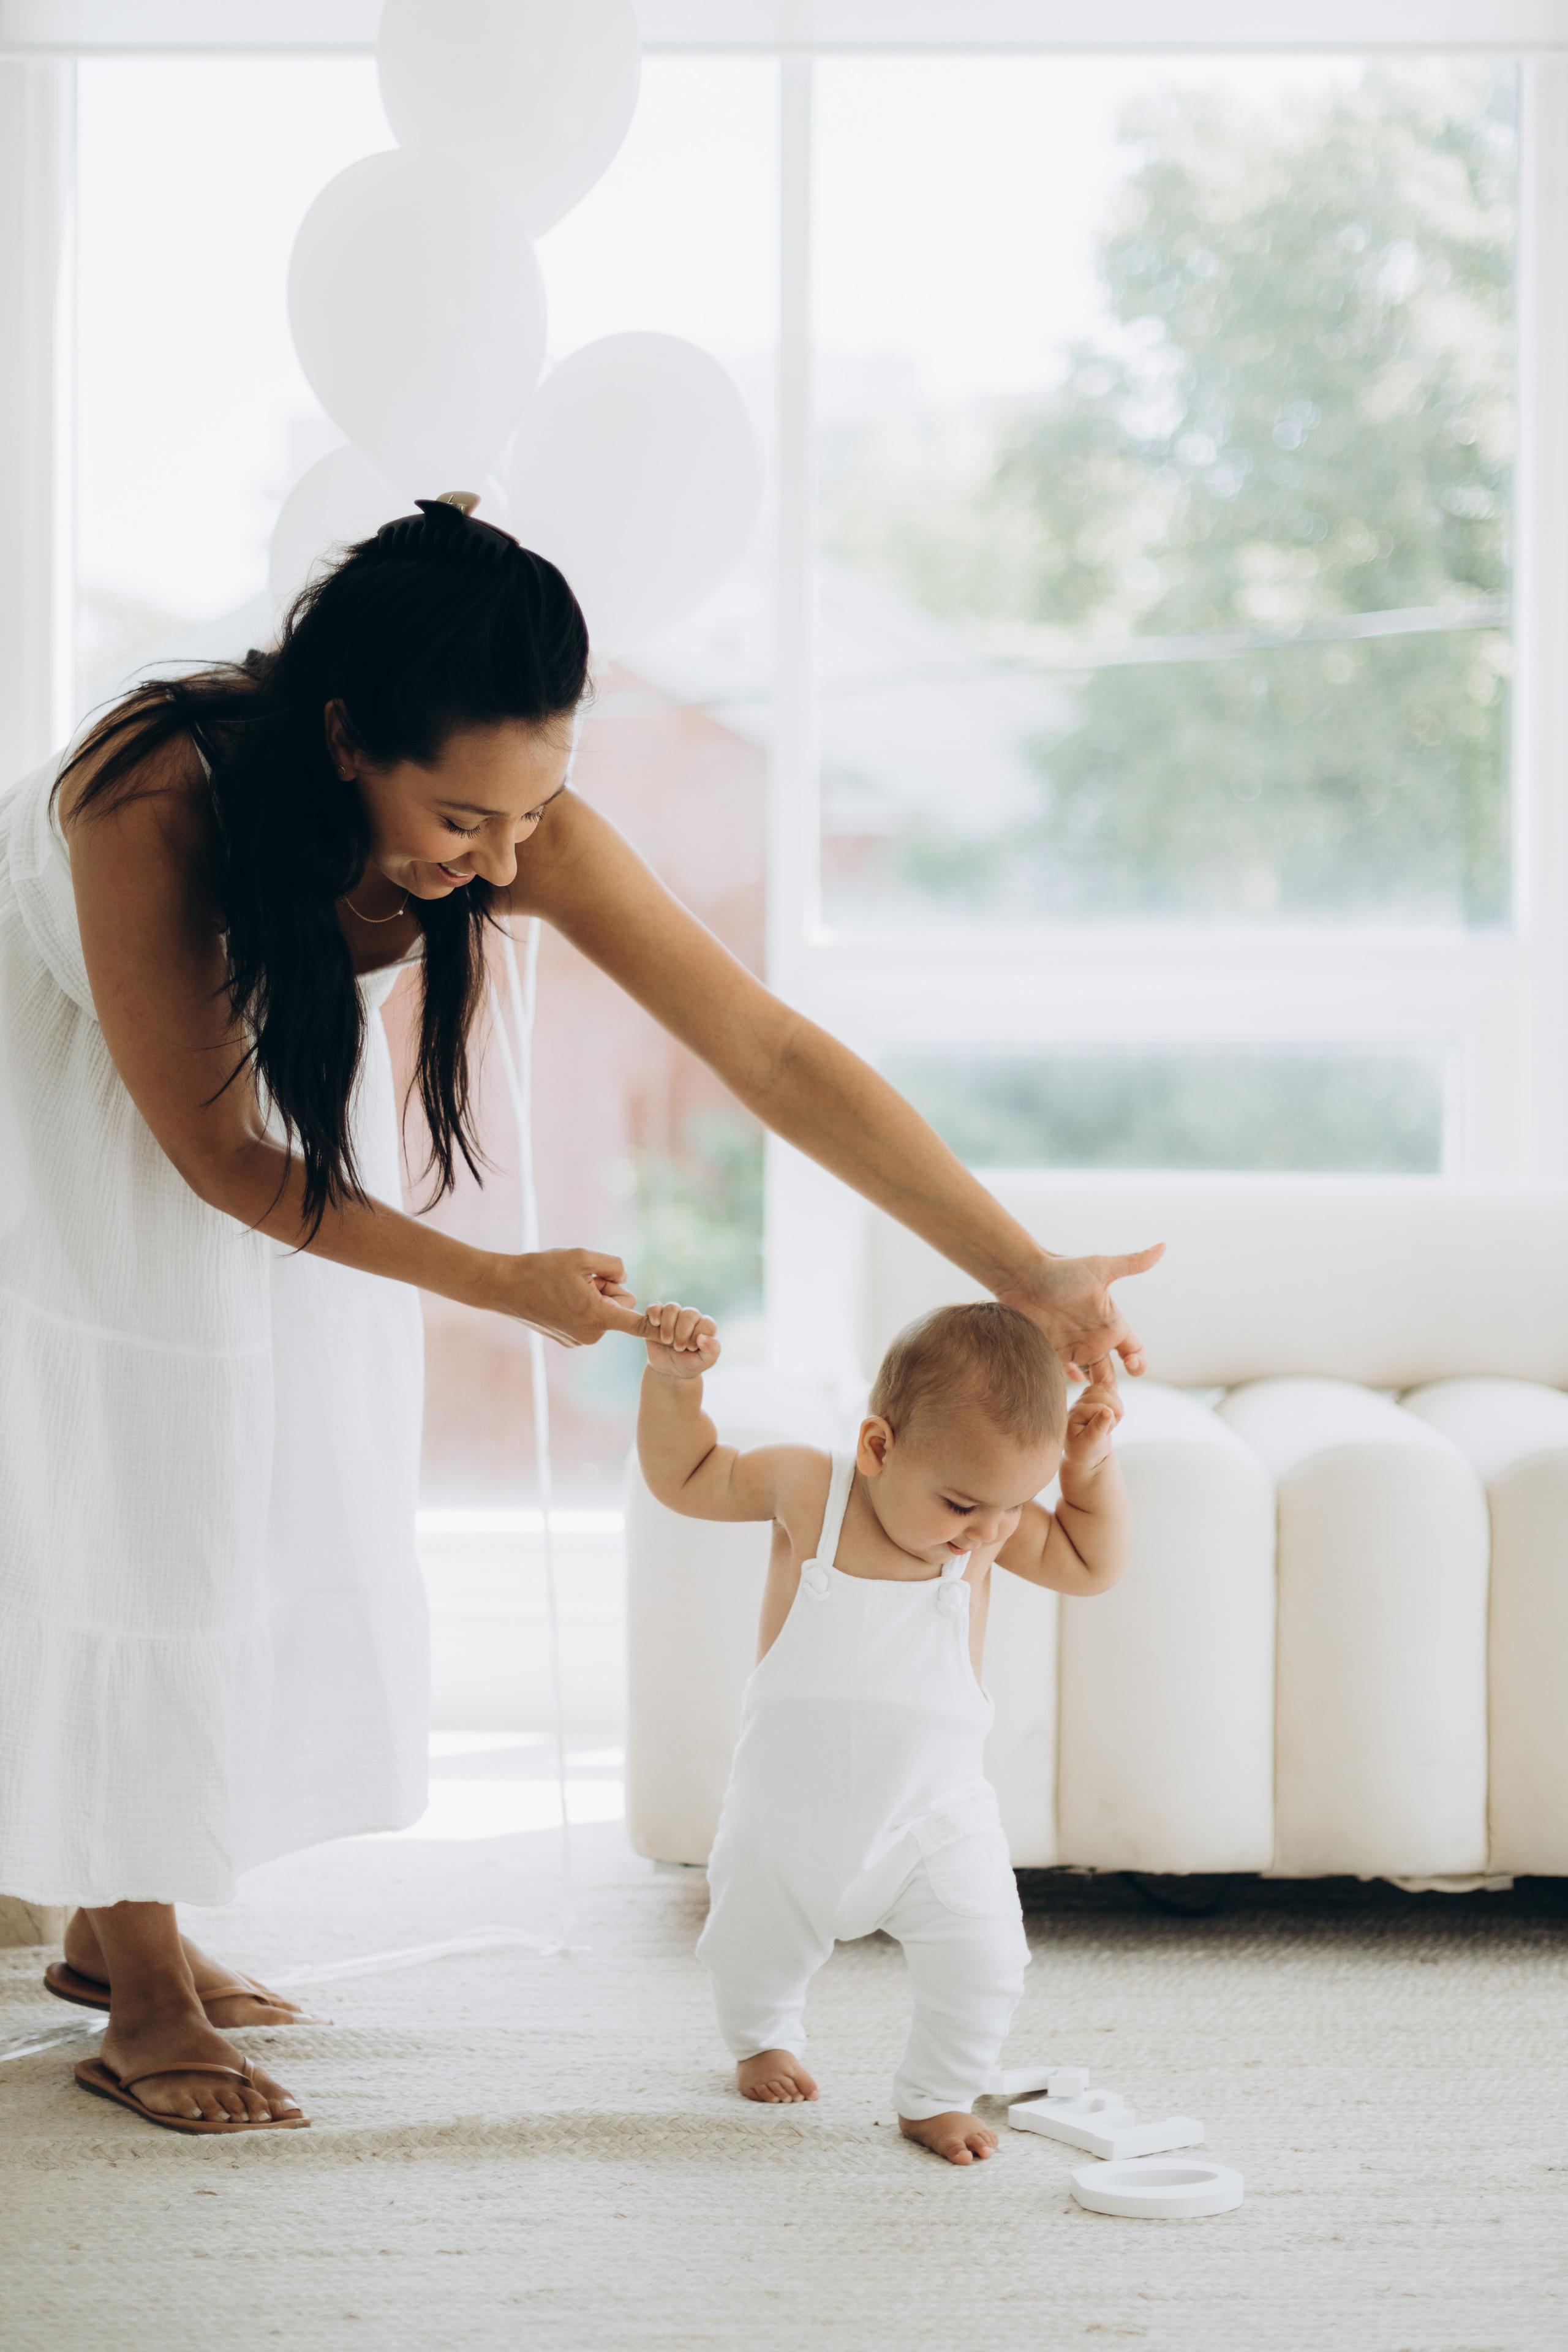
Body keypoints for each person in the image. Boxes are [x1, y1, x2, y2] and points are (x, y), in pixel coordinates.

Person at [0, 495, 1158, 2137]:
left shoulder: (513, 824)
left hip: (264, 1158)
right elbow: (204, 1154)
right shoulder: (150, 797)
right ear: (344, 738)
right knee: (139, 1509)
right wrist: (504, 1285)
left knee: (255, 1502)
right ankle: (142, 1975)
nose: (501, 859)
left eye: (531, 812)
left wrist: (1025, 1268)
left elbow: (765, 1051)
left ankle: (122, 1933)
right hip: (66, 1148)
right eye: (462, 817)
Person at [635, 1295, 1130, 2165]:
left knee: (988, 1961)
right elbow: (687, 1478)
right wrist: (676, 1387)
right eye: (963, 1505)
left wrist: (1088, 1472)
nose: (983, 1535)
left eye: (1011, 1511)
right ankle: (762, 2038)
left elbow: (1092, 1566)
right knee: (750, 1948)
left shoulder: (987, 1531)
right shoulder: (808, 1489)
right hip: (785, 1816)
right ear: (877, 1448)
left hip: (933, 1822)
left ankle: (936, 2094)